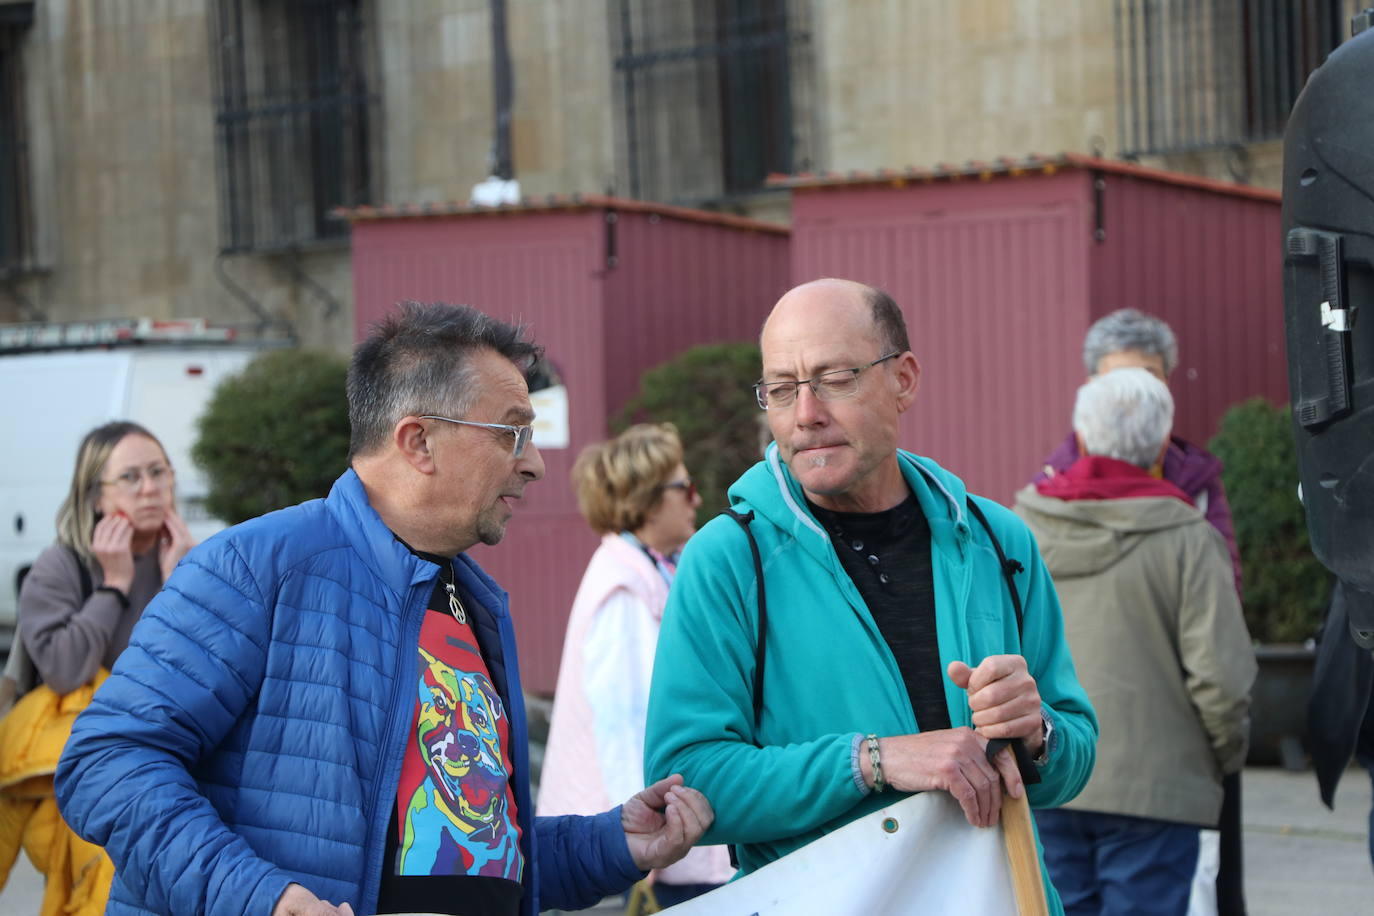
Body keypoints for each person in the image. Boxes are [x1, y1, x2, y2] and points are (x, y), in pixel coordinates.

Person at [54, 303, 713, 916]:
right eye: (511, 434)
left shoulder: (474, 603)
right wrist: (263, 898)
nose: (535, 463)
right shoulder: (258, 566)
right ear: (417, 441)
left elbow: (469, 853)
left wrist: (613, 844)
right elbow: (106, 761)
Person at [643, 278, 1098, 911]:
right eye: (781, 389)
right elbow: (684, 783)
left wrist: (1038, 732)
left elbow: (1075, 756)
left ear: (904, 379)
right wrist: (873, 761)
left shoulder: (1000, 541)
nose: (805, 414)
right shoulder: (727, 559)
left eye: (835, 379)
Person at [1013, 368, 1256, 916]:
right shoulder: (1190, 537)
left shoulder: (1020, 526)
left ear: (1081, 433)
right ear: (1162, 442)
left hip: (1049, 775)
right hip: (1160, 791)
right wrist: (1220, 758)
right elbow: (1221, 678)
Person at [0, 421, 194, 915]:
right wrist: (113, 587)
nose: (151, 488)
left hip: (167, 756)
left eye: (159, 472)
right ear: (95, 496)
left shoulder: (189, 561)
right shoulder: (59, 568)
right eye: (130, 477)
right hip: (78, 770)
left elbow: (201, 673)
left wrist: (181, 586)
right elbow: (65, 671)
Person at [538, 424, 732, 906]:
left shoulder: (657, 568)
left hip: (637, 840)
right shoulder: (622, 586)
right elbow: (624, 721)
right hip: (617, 847)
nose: (697, 498)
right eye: (683, 487)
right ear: (646, 501)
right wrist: (641, 840)